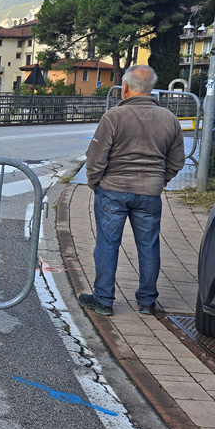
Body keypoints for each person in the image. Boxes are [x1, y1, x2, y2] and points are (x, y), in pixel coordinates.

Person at [78, 65, 184, 317]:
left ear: (125, 88)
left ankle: (103, 299)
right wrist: (159, 179)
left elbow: (95, 158)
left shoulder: (113, 117)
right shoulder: (169, 119)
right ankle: (147, 301)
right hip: (150, 193)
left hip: (113, 189)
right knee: (148, 246)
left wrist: (95, 182)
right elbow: (177, 160)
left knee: (107, 244)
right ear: (150, 89)